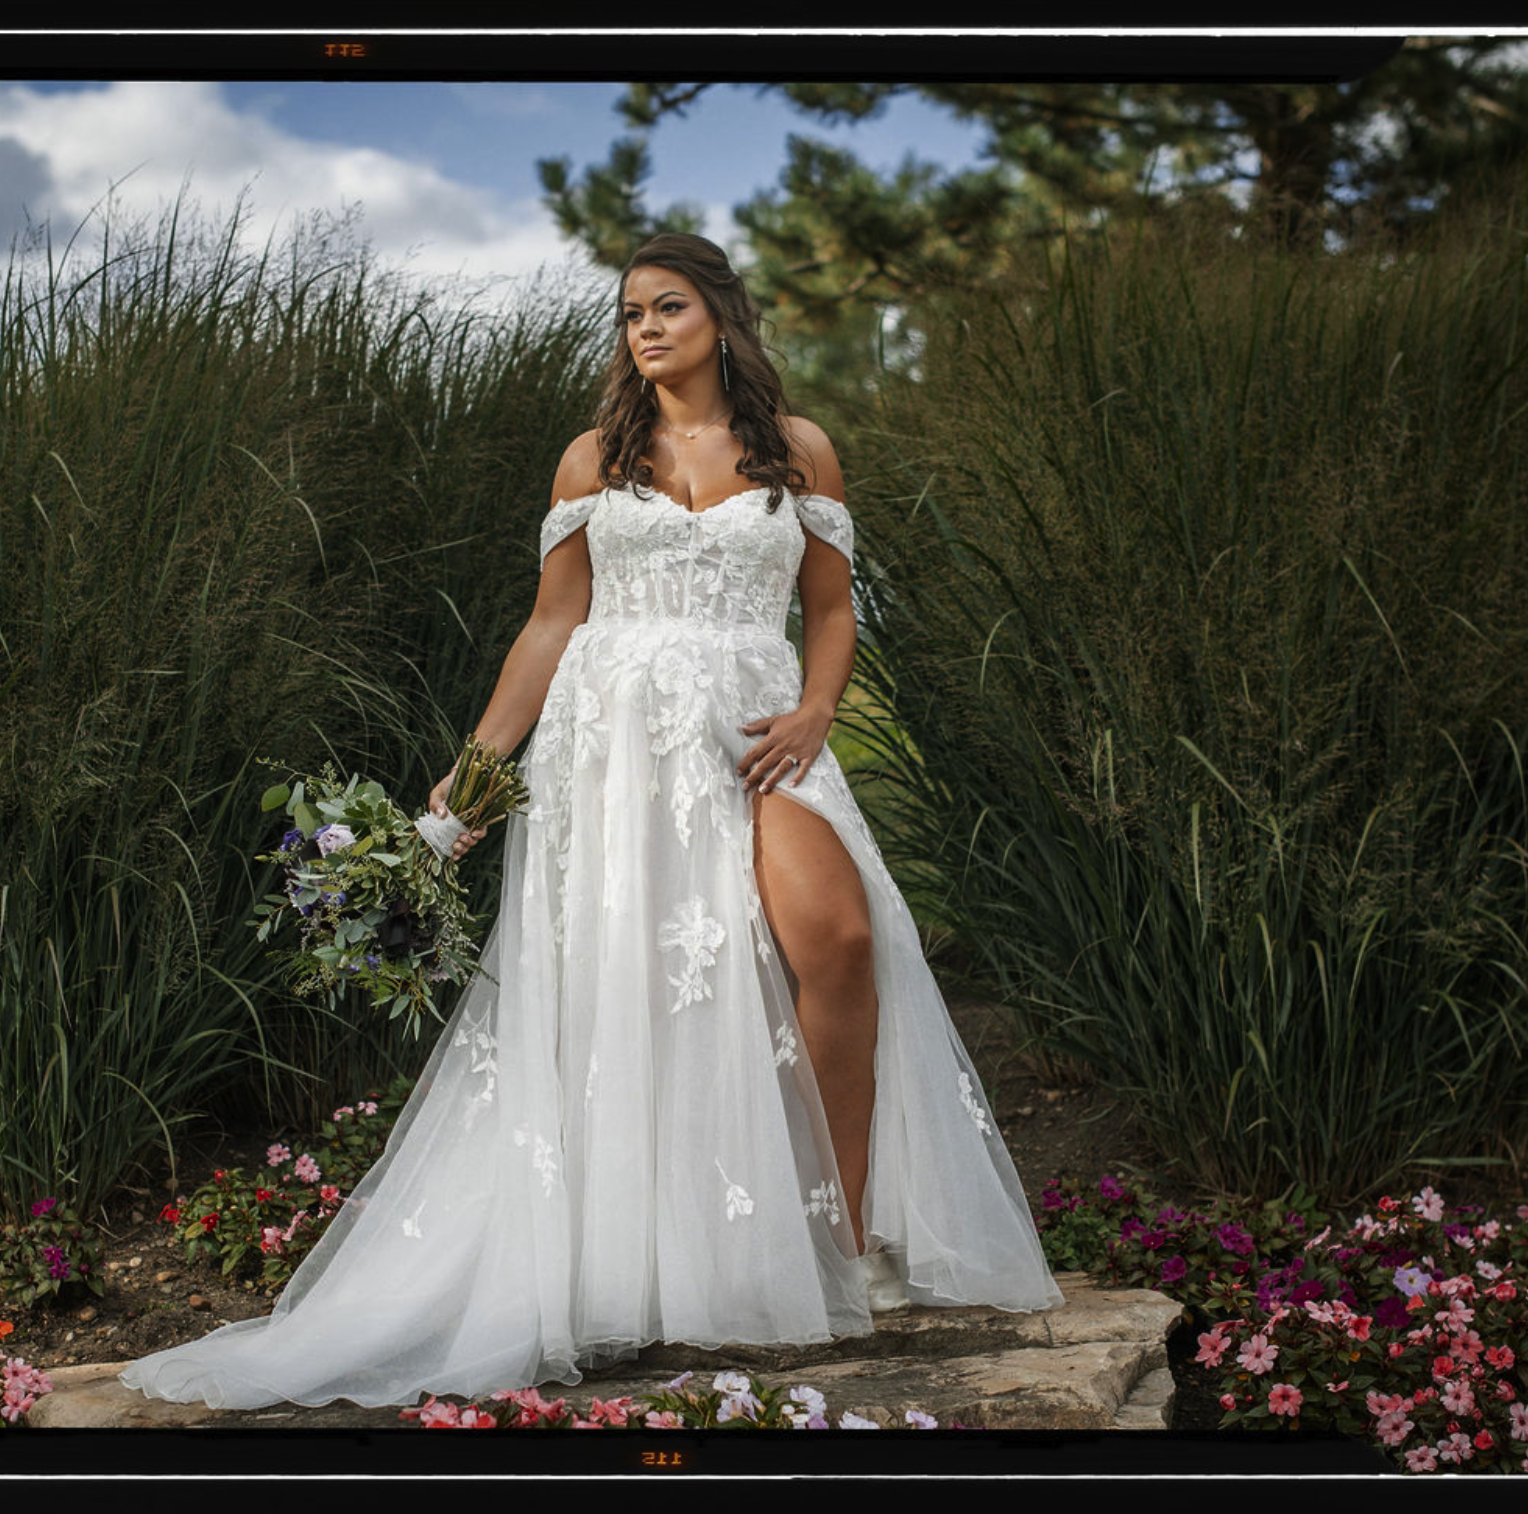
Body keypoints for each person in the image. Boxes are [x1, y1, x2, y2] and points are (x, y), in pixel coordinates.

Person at [121, 232, 1061, 1412]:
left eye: (668, 306)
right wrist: (468, 785)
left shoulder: (800, 450)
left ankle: (847, 1232)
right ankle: (657, 1253)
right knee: (642, 989)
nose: (646, 329)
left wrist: (819, 710)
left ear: (721, 312)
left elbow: (830, 608)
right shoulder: (594, 455)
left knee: (842, 938)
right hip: (611, 745)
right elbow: (550, 624)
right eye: (629, 314)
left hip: (757, 727)